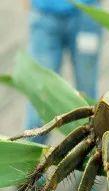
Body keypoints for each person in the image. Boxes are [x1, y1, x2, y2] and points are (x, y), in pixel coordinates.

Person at [25, 0, 102, 144]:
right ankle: (26, 159)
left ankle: (89, 157)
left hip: (86, 14)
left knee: (88, 102)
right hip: (44, 14)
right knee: (39, 100)